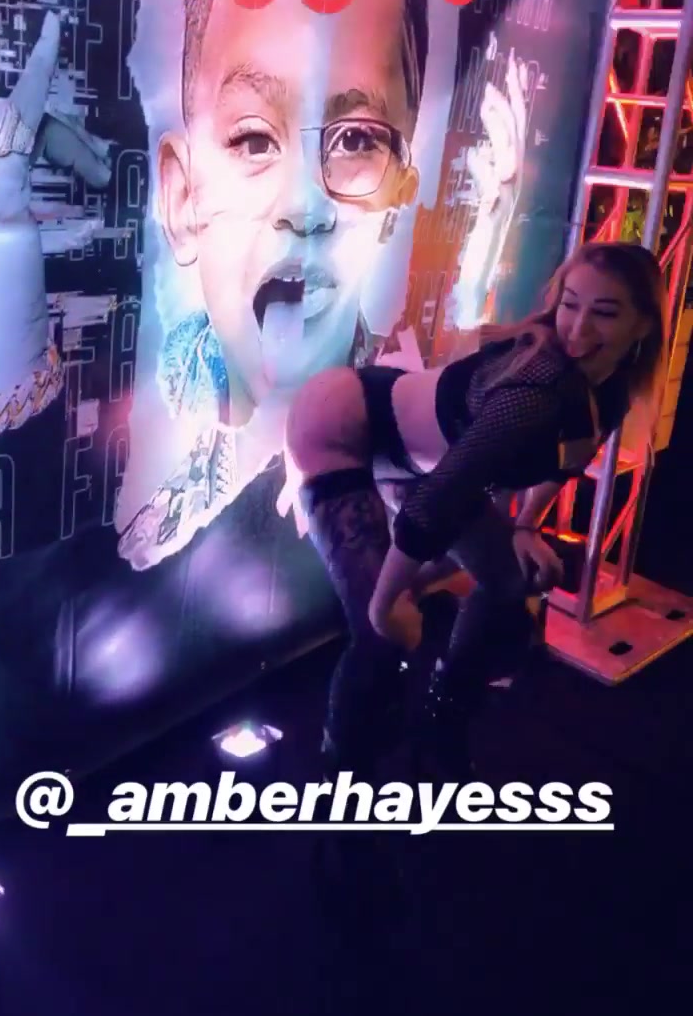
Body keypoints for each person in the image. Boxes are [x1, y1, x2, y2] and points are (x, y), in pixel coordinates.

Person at [286, 241, 669, 778]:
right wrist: (385, 603)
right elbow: (435, 503)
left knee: (510, 581)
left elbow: (567, 459)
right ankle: (341, 780)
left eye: (605, 313)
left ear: (643, 325)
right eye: (570, 304)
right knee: (378, 633)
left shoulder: (612, 389)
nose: (578, 328)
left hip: (419, 460)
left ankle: (441, 718)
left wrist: (525, 525)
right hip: (341, 423)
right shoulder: (535, 392)